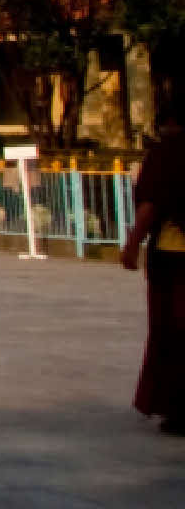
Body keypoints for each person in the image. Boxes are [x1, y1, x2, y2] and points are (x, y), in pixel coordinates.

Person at [123, 100, 185, 435]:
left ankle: (178, 407)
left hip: (174, 255)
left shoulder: (166, 155)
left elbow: (150, 204)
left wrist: (132, 245)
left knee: (173, 331)